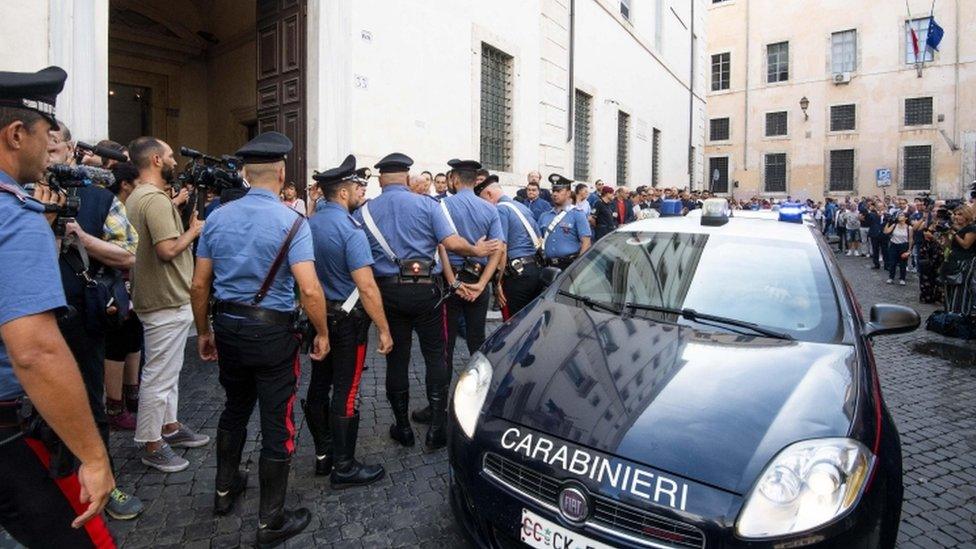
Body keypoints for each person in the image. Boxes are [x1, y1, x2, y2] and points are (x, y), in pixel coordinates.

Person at [191, 132, 327, 546]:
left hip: (229, 327)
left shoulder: (217, 216)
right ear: (281, 172)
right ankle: (271, 521)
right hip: (272, 333)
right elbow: (309, 290)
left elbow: (199, 286)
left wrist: (203, 332)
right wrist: (321, 331)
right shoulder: (292, 221)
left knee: (234, 407)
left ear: (246, 175)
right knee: (277, 421)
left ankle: (224, 490)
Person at [0, 65, 115, 547]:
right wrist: (93, 456)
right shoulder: (14, 214)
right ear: (15, 134)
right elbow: (36, 350)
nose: (51, 149)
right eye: (47, 136)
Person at [353, 153, 499, 451]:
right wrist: (474, 248)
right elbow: (450, 242)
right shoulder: (427, 204)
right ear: (407, 179)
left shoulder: (364, 212)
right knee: (436, 355)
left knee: (397, 358)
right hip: (427, 292)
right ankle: (436, 428)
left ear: (381, 181)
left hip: (387, 293)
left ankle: (403, 427)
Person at [47, 122, 143, 520]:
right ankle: (52, 483)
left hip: (81, 318)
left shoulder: (98, 198)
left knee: (90, 400)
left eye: (54, 148)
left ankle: (107, 481)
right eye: (44, 147)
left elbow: (128, 254)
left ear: (70, 149)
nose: (47, 157)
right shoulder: (15, 197)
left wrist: (80, 237)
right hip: (28, 321)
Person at [305, 155, 392, 486]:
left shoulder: (308, 224)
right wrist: (384, 329)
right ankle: (344, 466)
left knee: (318, 384)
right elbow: (367, 287)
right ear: (343, 192)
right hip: (347, 321)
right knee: (347, 389)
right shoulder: (349, 228)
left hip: (318, 317)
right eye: (359, 186)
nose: (362, 192)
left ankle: (324, 454)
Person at [126, 136, 210, 473]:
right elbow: (167, 250)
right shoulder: (155, 200)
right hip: (164, 298)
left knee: (168, 371)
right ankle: (151, 443)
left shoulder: (140, 197)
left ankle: (169, 426)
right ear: (157, 160)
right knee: (159, 376)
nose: (175, 159)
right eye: (171, 155)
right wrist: (193, 231)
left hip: (161, 296)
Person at [414, 161, 504, 428]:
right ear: (476, 181)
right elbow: (497, 249)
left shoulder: (440, 206)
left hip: (447, 283)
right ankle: (480, 404)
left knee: (445, 346)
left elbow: (441, 244)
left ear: (452, 179)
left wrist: (453, 281)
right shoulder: (489, 209)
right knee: (478, 342)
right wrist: (483, 283)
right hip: (478, 280)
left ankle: (437, 408)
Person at [103, 161, 143, 431]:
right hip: (115, 283)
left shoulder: (127, 207)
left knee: (132, 338)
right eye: (136, 182)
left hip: (130, 283)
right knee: (117, 343)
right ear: (126, 184)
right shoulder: (111, 206)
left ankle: (131, 398)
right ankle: (115, 407)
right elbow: (124, 248)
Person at [476, 175, 544, 319]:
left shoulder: (500, 210)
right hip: (534, 270)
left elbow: (501, 248)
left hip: (516, 275)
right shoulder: (521, 207)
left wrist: (498, 283)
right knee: (530, 320)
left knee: (513, 325)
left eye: (483, 200)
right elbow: (538, 239)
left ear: (489, 194)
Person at [539, 174, 591, 270]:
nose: (554, 194)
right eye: (553, 191)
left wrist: (578, 267)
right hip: (547, 266)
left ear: (568, 193)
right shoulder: (544, 216)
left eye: (559, 191)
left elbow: (586, 242)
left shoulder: (577, 214)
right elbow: (538, 240)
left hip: (569, 266)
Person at [942, 206, 976, 316]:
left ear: (966, 215)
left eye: (960, 214)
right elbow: (946, 245)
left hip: (966, 262)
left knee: (961, 287)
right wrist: (946, 235)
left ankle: (960, 313)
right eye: (955, 214)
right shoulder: (955, 228)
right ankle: (949, 312)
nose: (957, 217)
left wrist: (955, 233)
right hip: (952, 260)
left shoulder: (972, 228)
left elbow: (966, 245)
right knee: (949, 286)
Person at [883, 212, 913, 285]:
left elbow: (911, 239)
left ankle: (902, 278)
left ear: (906, 218)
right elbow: (886, 232)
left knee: (903, 264)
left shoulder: (909, 227)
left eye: (902, 215)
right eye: (899, 215)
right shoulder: (894, 225)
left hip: (903, 246)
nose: (899, 216)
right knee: (892, 263)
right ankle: (891, 277)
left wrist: (909, 250)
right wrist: (888, 222)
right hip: (894, 245)